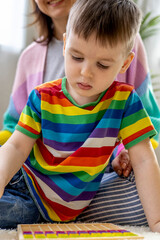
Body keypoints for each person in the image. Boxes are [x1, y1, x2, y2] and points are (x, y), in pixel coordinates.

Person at [1, 0, 160, 232]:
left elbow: (145, 159)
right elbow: (15, 147)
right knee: (13, 208)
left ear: (125, 63)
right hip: (29, 188)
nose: (86, 73)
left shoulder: (126, 101)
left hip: (80, 197)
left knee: (144, 188)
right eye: (77, 57)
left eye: (103, 65)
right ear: (66, 45)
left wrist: (157, 223)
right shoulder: (42, 97)